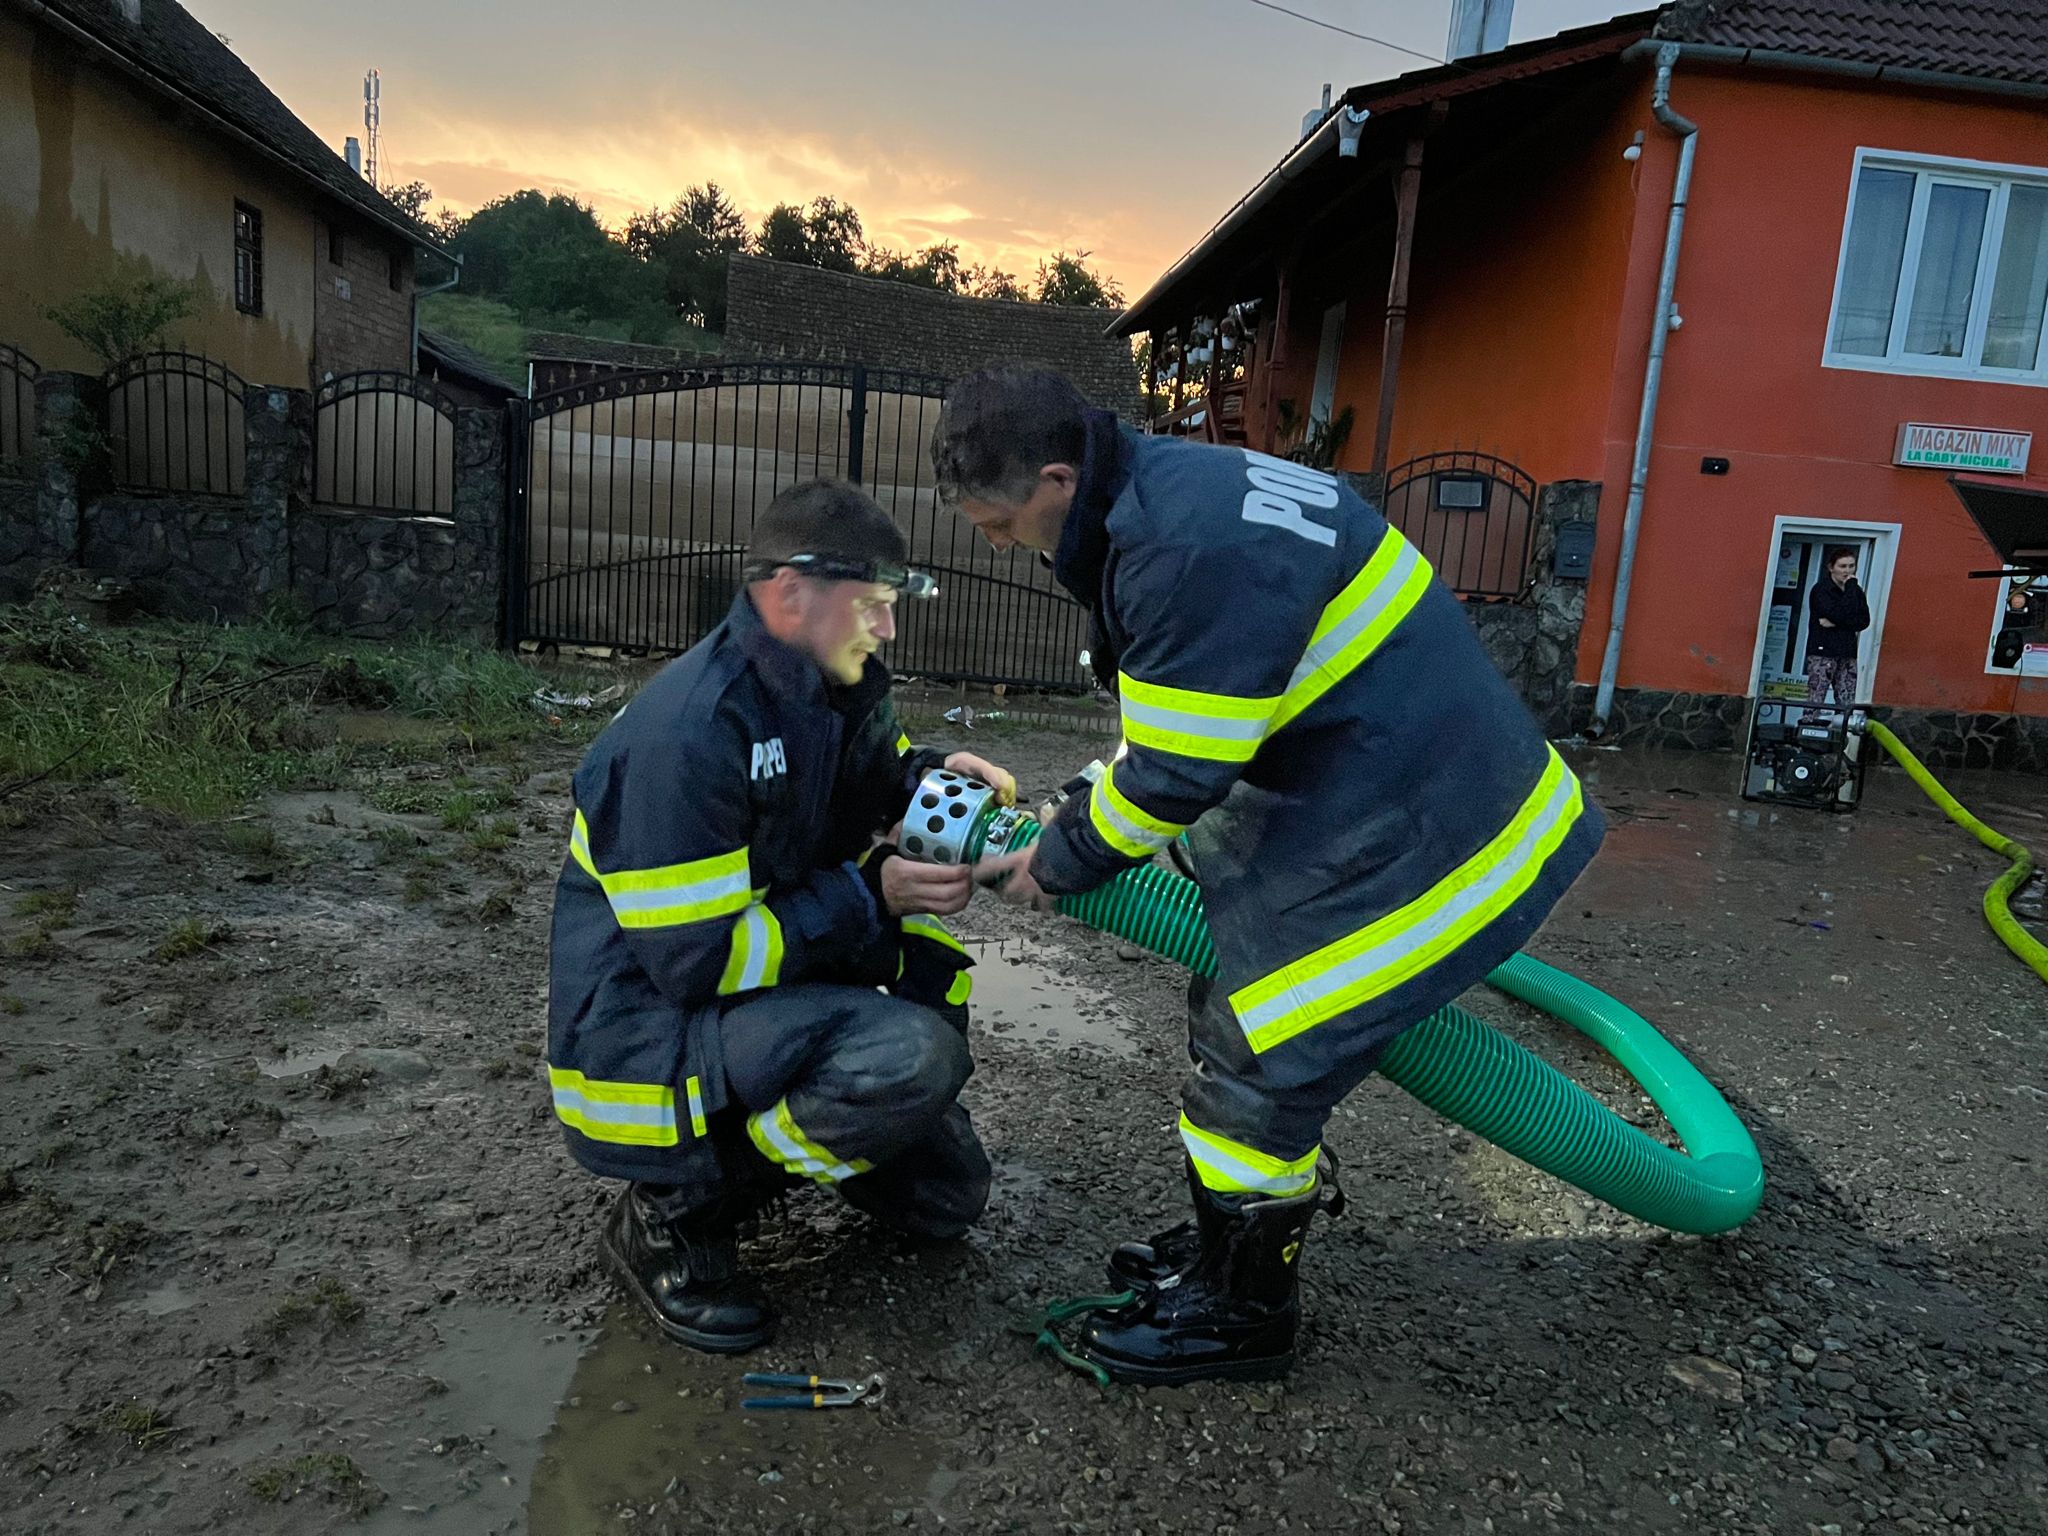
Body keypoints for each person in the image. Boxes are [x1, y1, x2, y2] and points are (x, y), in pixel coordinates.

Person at [932, 367, 1604, 1385]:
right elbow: (1186, 718)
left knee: (1259, 1050)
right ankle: (1223, 1247)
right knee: (1232, 998)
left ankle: (1244, 1313)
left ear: (1057, 479)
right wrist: (1078, 802)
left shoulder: (1175, 545)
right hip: (1404, 784)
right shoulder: (1173, 491)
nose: (995, 544)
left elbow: (1176, 773)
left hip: (1435, 839)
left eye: (997, 522)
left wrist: (1058, 859)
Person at [546, 479, 1014, 1353]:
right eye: (873, 606)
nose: (889, 629)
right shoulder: (689, 734)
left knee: (946, 1200)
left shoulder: (836, 687)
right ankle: (674, 1214)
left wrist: (943, 788)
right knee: (910, 1060)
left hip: (742, 1002)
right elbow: (695, 964)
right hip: (645, 1040)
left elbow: (879, 782)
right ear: (792, 595)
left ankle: (782, 1134)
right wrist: (873, 895)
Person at [1804, 548, 1870, 707]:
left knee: (1846, 697)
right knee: (1817, 695)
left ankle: (1843, 728)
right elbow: (1838, 613)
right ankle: (1811, 727)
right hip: (1823, 652)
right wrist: (1845, 621)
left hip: (1847, 651)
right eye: (1842, 566)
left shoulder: (1856, 591)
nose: (1847, 571)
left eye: (1851, 566)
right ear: (1831, 567)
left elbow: (1863, 621)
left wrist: (1835, 623)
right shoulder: (1821, 590)